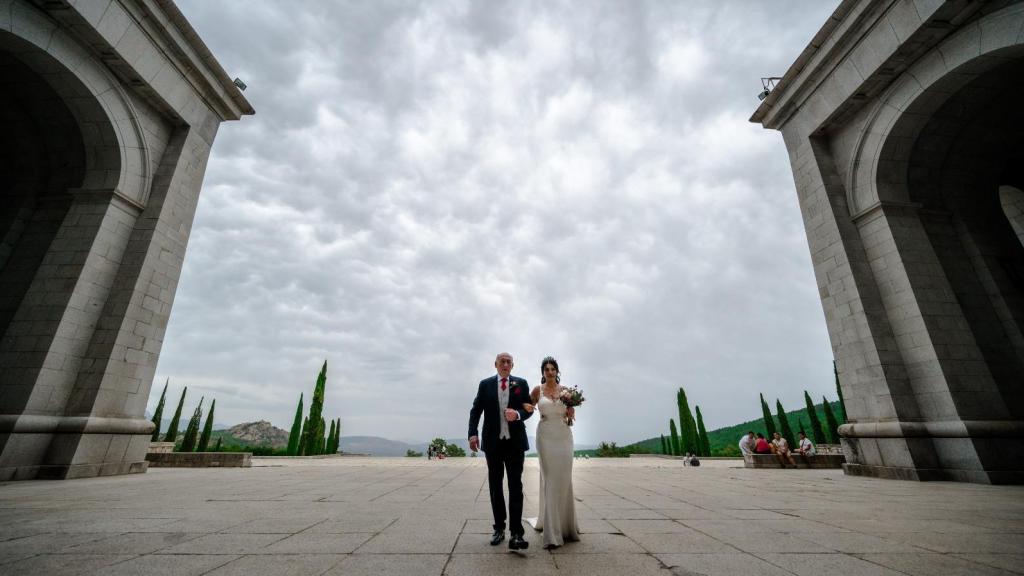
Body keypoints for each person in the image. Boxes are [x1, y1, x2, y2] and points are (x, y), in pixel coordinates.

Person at [468, 352, 534, 551]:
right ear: (495, 364)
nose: (505, 364)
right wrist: (472, 434)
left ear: (512, 365)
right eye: (502, 362)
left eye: (508, 362)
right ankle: (499, 528)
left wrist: (518, 415)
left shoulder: (521, 384)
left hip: (515, 444)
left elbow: (529, 409)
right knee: (495, 487)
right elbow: (476, 410)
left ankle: (517, 533)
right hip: (493, 443)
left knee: (516, 486)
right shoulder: (485, 384)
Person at [526, 357, 580, 549]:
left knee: (564, 479)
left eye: (552, 369)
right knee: (550, 479)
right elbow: (526, 406)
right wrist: (526, 407)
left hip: (564, 436)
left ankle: (566, 526)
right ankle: (551, 533)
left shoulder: (566, 391)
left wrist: (571, 413)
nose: (550, 372)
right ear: (543, 372)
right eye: (546, 369)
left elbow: (570, 415)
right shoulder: (537, 390)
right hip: (545, 437)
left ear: (557, 371)